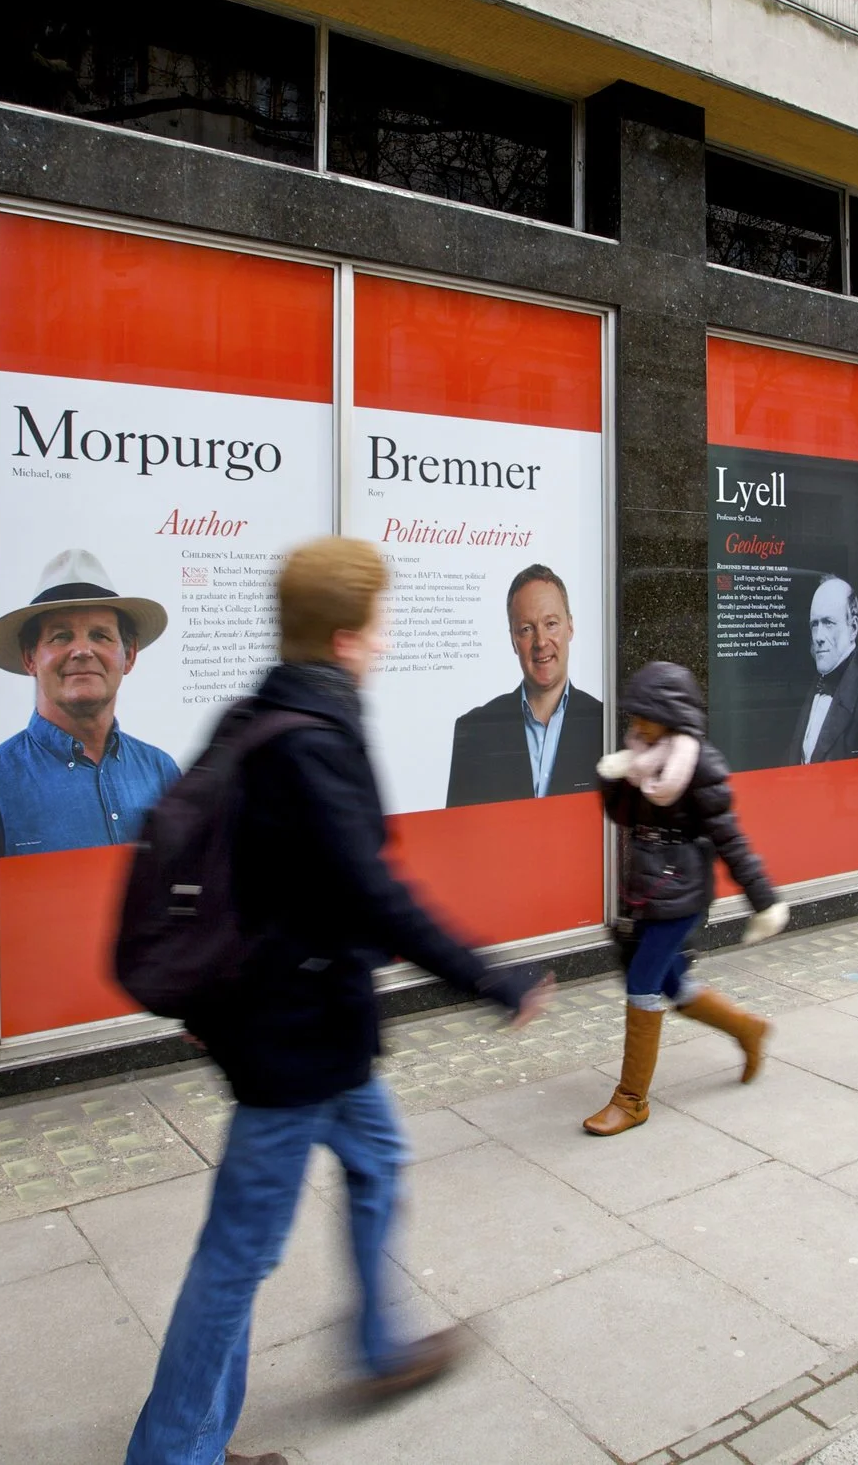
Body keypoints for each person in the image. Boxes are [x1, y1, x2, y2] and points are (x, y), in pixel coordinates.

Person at [125, 537, 556, 1465]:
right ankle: (172, 1454)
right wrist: (491, 976)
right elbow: (372, 890)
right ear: (348, 632)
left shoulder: (263, 713)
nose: (386, 635)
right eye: (379, 618)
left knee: (378, 1157)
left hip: (311, 1023)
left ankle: (378, 1347)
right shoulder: (313, 738)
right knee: (237, 1254)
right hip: (296, 1038)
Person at [584, 661, 786, 1136]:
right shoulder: (642, 755)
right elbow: (621, 816)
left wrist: (765, 901)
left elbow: (731, 840)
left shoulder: (699, 767)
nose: (635, 725)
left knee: (643, 981)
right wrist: (616, 776)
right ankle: (748, 1030)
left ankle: (631, 1100)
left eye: (644, 716)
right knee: (672, 985)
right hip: (646, 889)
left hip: (682, 894)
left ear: (669, 713)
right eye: (632, 716)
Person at [0, 550, 179, 856]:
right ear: (30, 658)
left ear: (129, 656)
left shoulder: (160, 771)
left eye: (100, 636)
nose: (82, 650)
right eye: (62, 636)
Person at [445, 563, 605, 804]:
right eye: (526, 629)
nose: (541, 641)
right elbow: (458, 836)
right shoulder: (475, 731)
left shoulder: (605, 726)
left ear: (570, 627)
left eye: (551, 624)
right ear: (512, 639)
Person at [797, 574, 858, 763]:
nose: (818, 636)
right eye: (814, 624)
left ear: (853, 628)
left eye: (828, 623)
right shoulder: (817, 681)